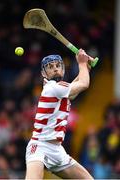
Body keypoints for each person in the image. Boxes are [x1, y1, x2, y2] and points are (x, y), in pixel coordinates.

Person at [25, 49, 93, 179]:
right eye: (50, 67)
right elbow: (84, 84)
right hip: (39, 145)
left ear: (63, 69)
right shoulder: (53, 87)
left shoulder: (59, 89)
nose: (55, 69)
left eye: (58, 65)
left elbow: (73, 90)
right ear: (43, 73)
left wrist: (85, 69)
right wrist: (82, 63)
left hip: (56, 150)